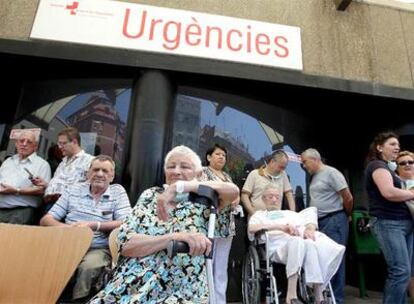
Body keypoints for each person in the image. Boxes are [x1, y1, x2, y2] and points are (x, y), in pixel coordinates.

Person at [89, 145, 239, 303]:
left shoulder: (205, 200)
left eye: (185, 166)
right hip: (132, 284)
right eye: (171, 166)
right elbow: (125, 244)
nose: (176, 171)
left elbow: (233, 190)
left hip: (182, 290)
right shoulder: (150, 195)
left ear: (199, 173)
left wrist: (181, 187)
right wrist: (173, 238)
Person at [40, 155, 131, 302]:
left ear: (112, 176)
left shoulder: (117, 192)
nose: (100, 174)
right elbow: (46, 220)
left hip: (97, 247)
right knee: (51, 264)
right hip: (68, 243)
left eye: (105, 171)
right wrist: (69, 229)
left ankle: (79, 301)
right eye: (96, 169)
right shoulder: (73, 189)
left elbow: (127, 222)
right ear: (88, 173)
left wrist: (96, 225)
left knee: (89, 267)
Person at [248, 185, 345, 304]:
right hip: (275, 247)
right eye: (270, 197)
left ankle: (318, 295)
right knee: (296, 241)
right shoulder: (259, 215)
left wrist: (309, 229)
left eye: (277, 197)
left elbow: (307, 224)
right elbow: (252, 228)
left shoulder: (290, 214)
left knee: (308, 243)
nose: (274, 200)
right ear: (263, 199)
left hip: (298, 246)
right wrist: (281, 227)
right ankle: (291, 295)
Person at [364, 132, 414, 304]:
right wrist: (410, 194)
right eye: (392, 144)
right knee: (400, 271)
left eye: (397, 144)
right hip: (389, 223)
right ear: (379, 147)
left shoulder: (386, 167)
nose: (397, 147)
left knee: (404, 272)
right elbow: (388, 192)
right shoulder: (377, 165)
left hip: (402, 224)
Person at [300, 148, 353, 304]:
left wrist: (346, 214)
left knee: (335, 259)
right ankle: (325, 298)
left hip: (334, 219)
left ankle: (337, 299)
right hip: (320, 222)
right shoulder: (315, 177)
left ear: (315, 159)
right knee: (323, 259)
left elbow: (347, 196)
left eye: (305, 162)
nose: (303, 166)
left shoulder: (332, 173)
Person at [199, 143, 240, 304]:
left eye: (224, 155)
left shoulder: (227, 176)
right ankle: (206, 300)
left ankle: (219, 301)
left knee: (221, 266)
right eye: (218, 154)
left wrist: (235, 200)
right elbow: (204, 191)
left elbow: (234, 195)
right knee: (206, 263)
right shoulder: (203, 172)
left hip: (226, 225)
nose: (221, 157)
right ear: (209, 157)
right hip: (208, 223)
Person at [33, 127, 94, 211]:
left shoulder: (89, 161)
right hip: (51, 205)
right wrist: (46, 184)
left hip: (70, 208)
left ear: (74, 142)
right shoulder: (63, 162)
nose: (60, 147)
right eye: (59, 143)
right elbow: (61, 184)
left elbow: (91, 188)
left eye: (63, 143)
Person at [0, 130, 51, 224]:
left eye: (29, 142)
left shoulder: (42, 164)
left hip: (21, 212)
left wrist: (16, 190)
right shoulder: (8, 161)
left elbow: (42, 190)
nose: (24, 144)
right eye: (21, 141)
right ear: (16, 143)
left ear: (35, 146)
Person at [242, 150, 295, 217]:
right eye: (281, 167)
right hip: (257, 222)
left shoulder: (283, 175)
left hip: (275, 220)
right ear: (272, 161)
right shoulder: (255, 174)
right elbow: (244, 195)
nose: (282, 170)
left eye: (284, 168)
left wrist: (293, 214)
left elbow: (289, 194)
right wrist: (253, 214)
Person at [395, 150, 414, 303]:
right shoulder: (395, 183)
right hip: (405, 230)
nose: (407, 165)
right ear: (397, 167)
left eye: (410, 162)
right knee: (409, 272)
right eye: (402, 163)